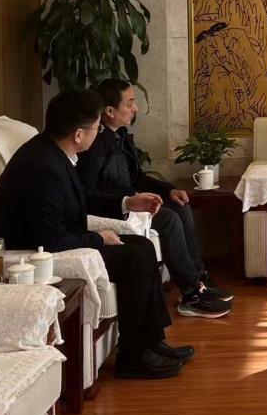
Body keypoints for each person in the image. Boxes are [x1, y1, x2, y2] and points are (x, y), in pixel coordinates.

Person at [0, 90, 193, 379]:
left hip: (55, 239)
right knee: (135, 256)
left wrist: (127, 202)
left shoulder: (53, 152)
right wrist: (99, 238)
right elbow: (51, 239)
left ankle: (151, 342)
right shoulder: (43, 167)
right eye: (97, 128)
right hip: (33, 253)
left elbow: (79, 200)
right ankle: (133, 357)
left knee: (142, 246)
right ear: (79, 134)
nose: (99, 133)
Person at [77, 78, 232, 319]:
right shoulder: (93, 145)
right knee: (168, 219)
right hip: (112, 209)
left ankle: (198, 279)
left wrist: (169, 190)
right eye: (130, 103)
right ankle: (191, 296)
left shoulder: (121, 136)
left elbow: (138, 177)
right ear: (109, 111)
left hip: (132, 203)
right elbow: (85, 194)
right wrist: (128, 201)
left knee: (180, 205)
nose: (135, 108)